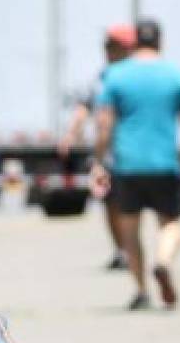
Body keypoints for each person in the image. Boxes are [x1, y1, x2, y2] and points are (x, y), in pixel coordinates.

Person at [90, 18, 180, 310]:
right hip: (165, 164)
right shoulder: (176, 75)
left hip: (127, 165)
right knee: (171, 223)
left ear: (136, 42)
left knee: (129, 230)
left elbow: (104, 124)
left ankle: (141, 291)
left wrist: (99, 163)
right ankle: (163, 261)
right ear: (161, 42)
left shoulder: (115, 75)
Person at [57, 23, 136, 270]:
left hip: (129, 152)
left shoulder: (136, 76)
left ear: (129, 49)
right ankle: (123, 250)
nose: (108, 51)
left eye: (114, 46)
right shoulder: (103, 78)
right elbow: (85, 107)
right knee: (111, 204)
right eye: (107, 45)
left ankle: (133, 250)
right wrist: (70, 134)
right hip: (112, 154)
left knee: (129, 207)